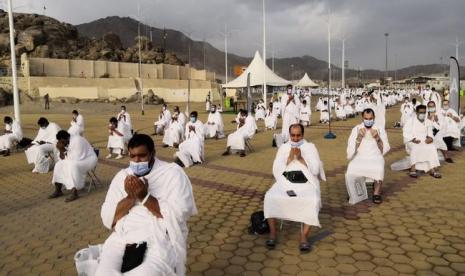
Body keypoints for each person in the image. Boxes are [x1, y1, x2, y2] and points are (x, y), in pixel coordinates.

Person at [96, 134, 197, 275]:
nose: (136, 161)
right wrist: (131, 197)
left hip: (157, 239)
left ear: (152, 154)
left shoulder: (172, 173)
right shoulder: (122, 177)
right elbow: (109, 218)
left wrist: (144, 196)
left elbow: (179, 213)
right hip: (122, 237)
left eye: (142, 156)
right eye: (132, 157)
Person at [264, 124, 325, 253]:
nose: (296, 138)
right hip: (286, 182)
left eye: (298, 135)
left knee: (312, 199)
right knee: (269, 196)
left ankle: (304, 236)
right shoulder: (284, 148)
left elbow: (315, 169)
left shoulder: (310, 147)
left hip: (305, 182)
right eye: (293, 135)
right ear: (289, 134)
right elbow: (276, 169)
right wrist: (290, 158)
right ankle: (273, 234)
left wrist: (301, 158)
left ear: (303, 135)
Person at [346, 108, 390, 204]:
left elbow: (385, 148)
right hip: (360, 156)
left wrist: (378, 138)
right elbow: (351, 149)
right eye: (366, 118)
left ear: (374, 118)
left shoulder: (379, 129)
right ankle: (353, 191)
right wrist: (359, 138)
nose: (368, 120)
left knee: (379, 167)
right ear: (362, 118)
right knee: (351, 167)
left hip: (375, 156)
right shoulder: (356, 129)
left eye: (370, 118)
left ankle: (376, 193)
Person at [49, 130, 97, 202]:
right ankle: (58, 190)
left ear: (66, 138)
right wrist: (61, 150)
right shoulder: (66, 141)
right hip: (76, 159)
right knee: (58, 165)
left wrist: (63, 150)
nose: (62, 143)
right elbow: (63, 158)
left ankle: (74, 192)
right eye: (60, 142)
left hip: (88, 159)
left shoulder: (77, 141)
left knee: (73, 166)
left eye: (62, 142)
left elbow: (76, 158)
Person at [403, 105, 442, 178]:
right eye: (421, 112)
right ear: (416, 113)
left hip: (424, 140)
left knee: (432, 147)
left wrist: (430, 138)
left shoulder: (428, 121)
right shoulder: (410, 121)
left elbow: (430, 133)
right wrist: (413, 139)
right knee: (415, 147)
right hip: (413, 141)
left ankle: (432, 170)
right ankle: (413, 169)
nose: (422, 114)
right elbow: (406, 133)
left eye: (424, 112)